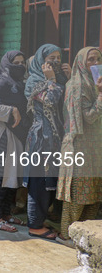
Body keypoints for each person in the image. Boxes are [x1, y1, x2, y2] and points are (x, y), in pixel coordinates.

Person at [24, 44, 71, 239]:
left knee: (49, 182)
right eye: (51, 57)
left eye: (58, 57)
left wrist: (66, 79)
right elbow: (50, 101)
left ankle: (40, 220)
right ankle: (34, 225)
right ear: (40, 60)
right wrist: (52, 79)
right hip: (40, 138)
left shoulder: (59, 79)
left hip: (55, 139)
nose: (55, 61)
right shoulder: (33, 81)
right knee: (39, 182)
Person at [57, 47, 102, 246]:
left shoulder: (95, 83)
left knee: (94, 194)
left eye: (98, 59)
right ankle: (66, 235)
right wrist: (101, 96)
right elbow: (89, 117)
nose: (95, 63)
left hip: (95, 146)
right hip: (78, 145)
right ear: (81, 62)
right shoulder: (77, 85)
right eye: (90, 59)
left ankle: (84, 238)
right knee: (77, 194)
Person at [0, 50, 31, 232]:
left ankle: (6, 213)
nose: (19, 66)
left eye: (22, 62)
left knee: (12, 176)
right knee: (0, 175)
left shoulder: (19, 83)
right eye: (15, 63)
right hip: (5, 135)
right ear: (7, 64)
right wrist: (11, 110)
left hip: (18, 135)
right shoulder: (3, 82)